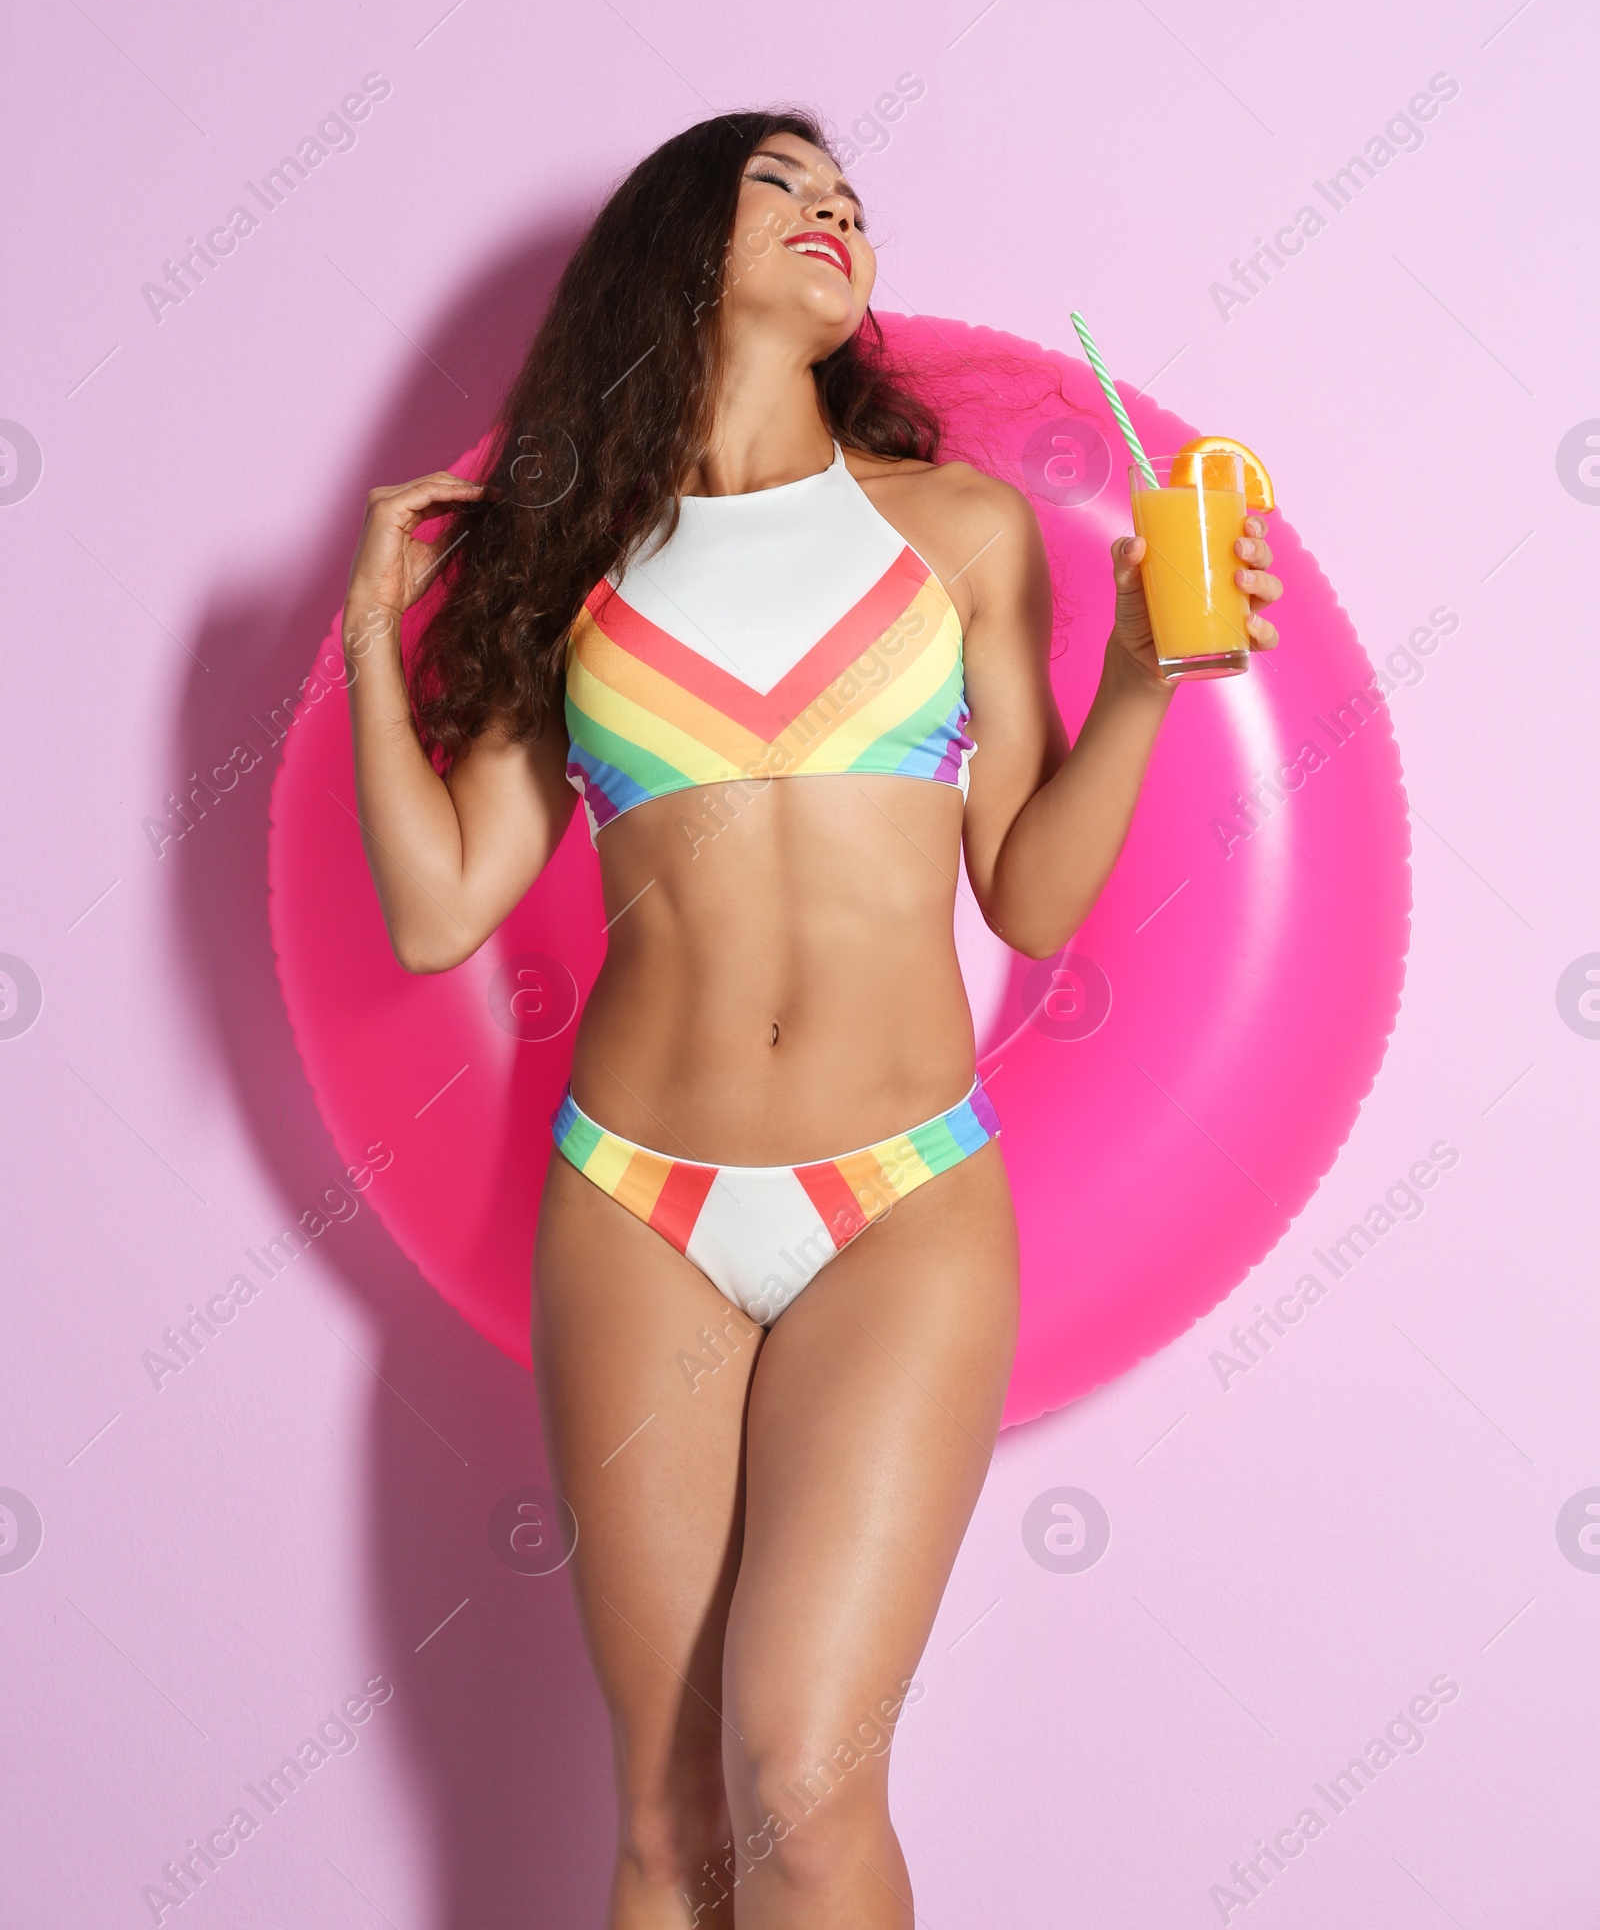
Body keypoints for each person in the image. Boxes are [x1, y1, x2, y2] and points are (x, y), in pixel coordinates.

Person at [341, 110, 1282, 1927]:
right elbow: (437, 902)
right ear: (679, 245)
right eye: (783, 183)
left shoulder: (958, 533)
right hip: (635, 1205)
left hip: (899, 1200)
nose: (833, 208)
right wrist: (383, 629)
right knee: (665, 1818)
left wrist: (1148, 683)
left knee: (802, 1780)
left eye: (849, 194)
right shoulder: (584, 566)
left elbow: (1027, 892)